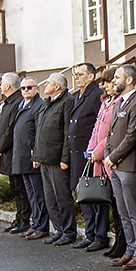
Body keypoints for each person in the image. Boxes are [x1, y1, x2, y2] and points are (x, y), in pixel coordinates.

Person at [103, 64, 136, 268]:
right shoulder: (119, 103)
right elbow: (111, 133)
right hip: (115, 166)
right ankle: (129, 249)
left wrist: (114, 156)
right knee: (122, 211)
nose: (114, 81)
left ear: (129, 80)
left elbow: (132, 135)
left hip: (127, 165)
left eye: (117, 77)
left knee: (133, 210)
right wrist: (108, 155)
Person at [33, 73, 76, 246]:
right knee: (50, 198)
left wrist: (65, 158)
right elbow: (39, 131)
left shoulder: (67, 102)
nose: (45, 85)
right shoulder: (47, 103)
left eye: (49, 83)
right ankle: (59, 229)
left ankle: (68, 231)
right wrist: (36, 155)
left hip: (58, 159)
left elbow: (67, 133)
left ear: (57, 86)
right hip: (44, 158)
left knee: (62, 197)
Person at [67, 63, 104, 247]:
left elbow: (101, 125)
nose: (77, 77)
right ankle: (90, 234)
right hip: (77, 154)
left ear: (91, 76)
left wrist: (95, 150)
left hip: (90, 155)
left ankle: (99, 235)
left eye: (80, 74)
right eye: (75, 74)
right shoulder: (80, 94)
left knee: (95, 195)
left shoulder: (96, 94)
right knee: (83, 194)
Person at [84, 67, 121, 252]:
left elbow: (112, 134)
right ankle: (99, 235)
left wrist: (98, 152)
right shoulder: (105, 102)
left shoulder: (118, 102)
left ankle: (118, 242)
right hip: (98, 159)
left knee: (116, 203)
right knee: (102, 199)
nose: (105, 86)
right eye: (104, 82)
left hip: (109, 158)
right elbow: (96, 130)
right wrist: (90, 149)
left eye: (107, 81)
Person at [14, 78, 50, 241]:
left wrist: (36, 154)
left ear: (36, 88)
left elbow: (38, 132)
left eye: (29, 87)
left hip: (31, 155)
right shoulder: (22, 105)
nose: (26, 90)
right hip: (21, 155)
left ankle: (41, 225)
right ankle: (35, 223)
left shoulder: (38, 105)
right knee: (31, 193)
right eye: (23, 88)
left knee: (38, 193)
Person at [0, 72, 31, 233]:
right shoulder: (9, 102)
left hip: (13, 151)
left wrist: (1, 146)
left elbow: (10, 129)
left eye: (2, 83)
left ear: (8, 85)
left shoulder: (17, 102)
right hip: (8, 152)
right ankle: (19, 217)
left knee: (20, 188)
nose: (0, 86)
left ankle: (24, 219)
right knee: (15, 187)